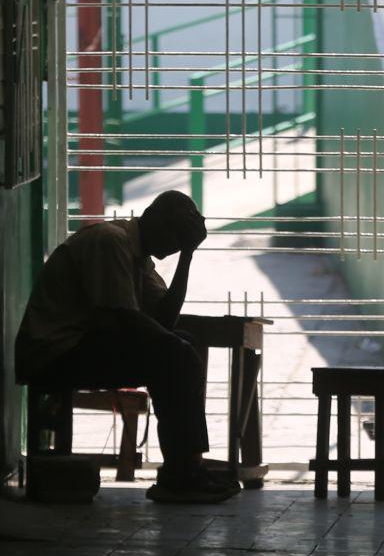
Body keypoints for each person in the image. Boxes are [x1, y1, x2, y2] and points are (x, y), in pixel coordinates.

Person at [15, 190, 235, 503]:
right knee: (175, 351)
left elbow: (164, 320)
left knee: (183, 344)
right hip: (53, 352)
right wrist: (174, 346)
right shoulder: (111, 241)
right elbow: (122, 319)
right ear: (155, 219)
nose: (173, 247)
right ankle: (182, 473)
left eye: (180, 241)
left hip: (81, 346)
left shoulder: (138, 255)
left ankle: (185, 467)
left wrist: (188, 255)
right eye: (175, 237)